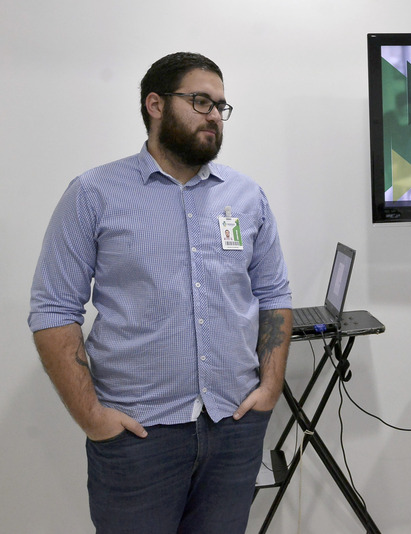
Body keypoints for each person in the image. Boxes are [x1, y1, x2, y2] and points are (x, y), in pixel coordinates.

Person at [28, 52, 292, 534]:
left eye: (220, 106)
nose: (214, 115)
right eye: (200, 101)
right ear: (155, 104)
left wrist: (270, 387)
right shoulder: (93, 194)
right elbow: (53, 310)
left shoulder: (246, 196)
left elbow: (273, 293)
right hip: (138, 437)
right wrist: (93, 418)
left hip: (233, 427)